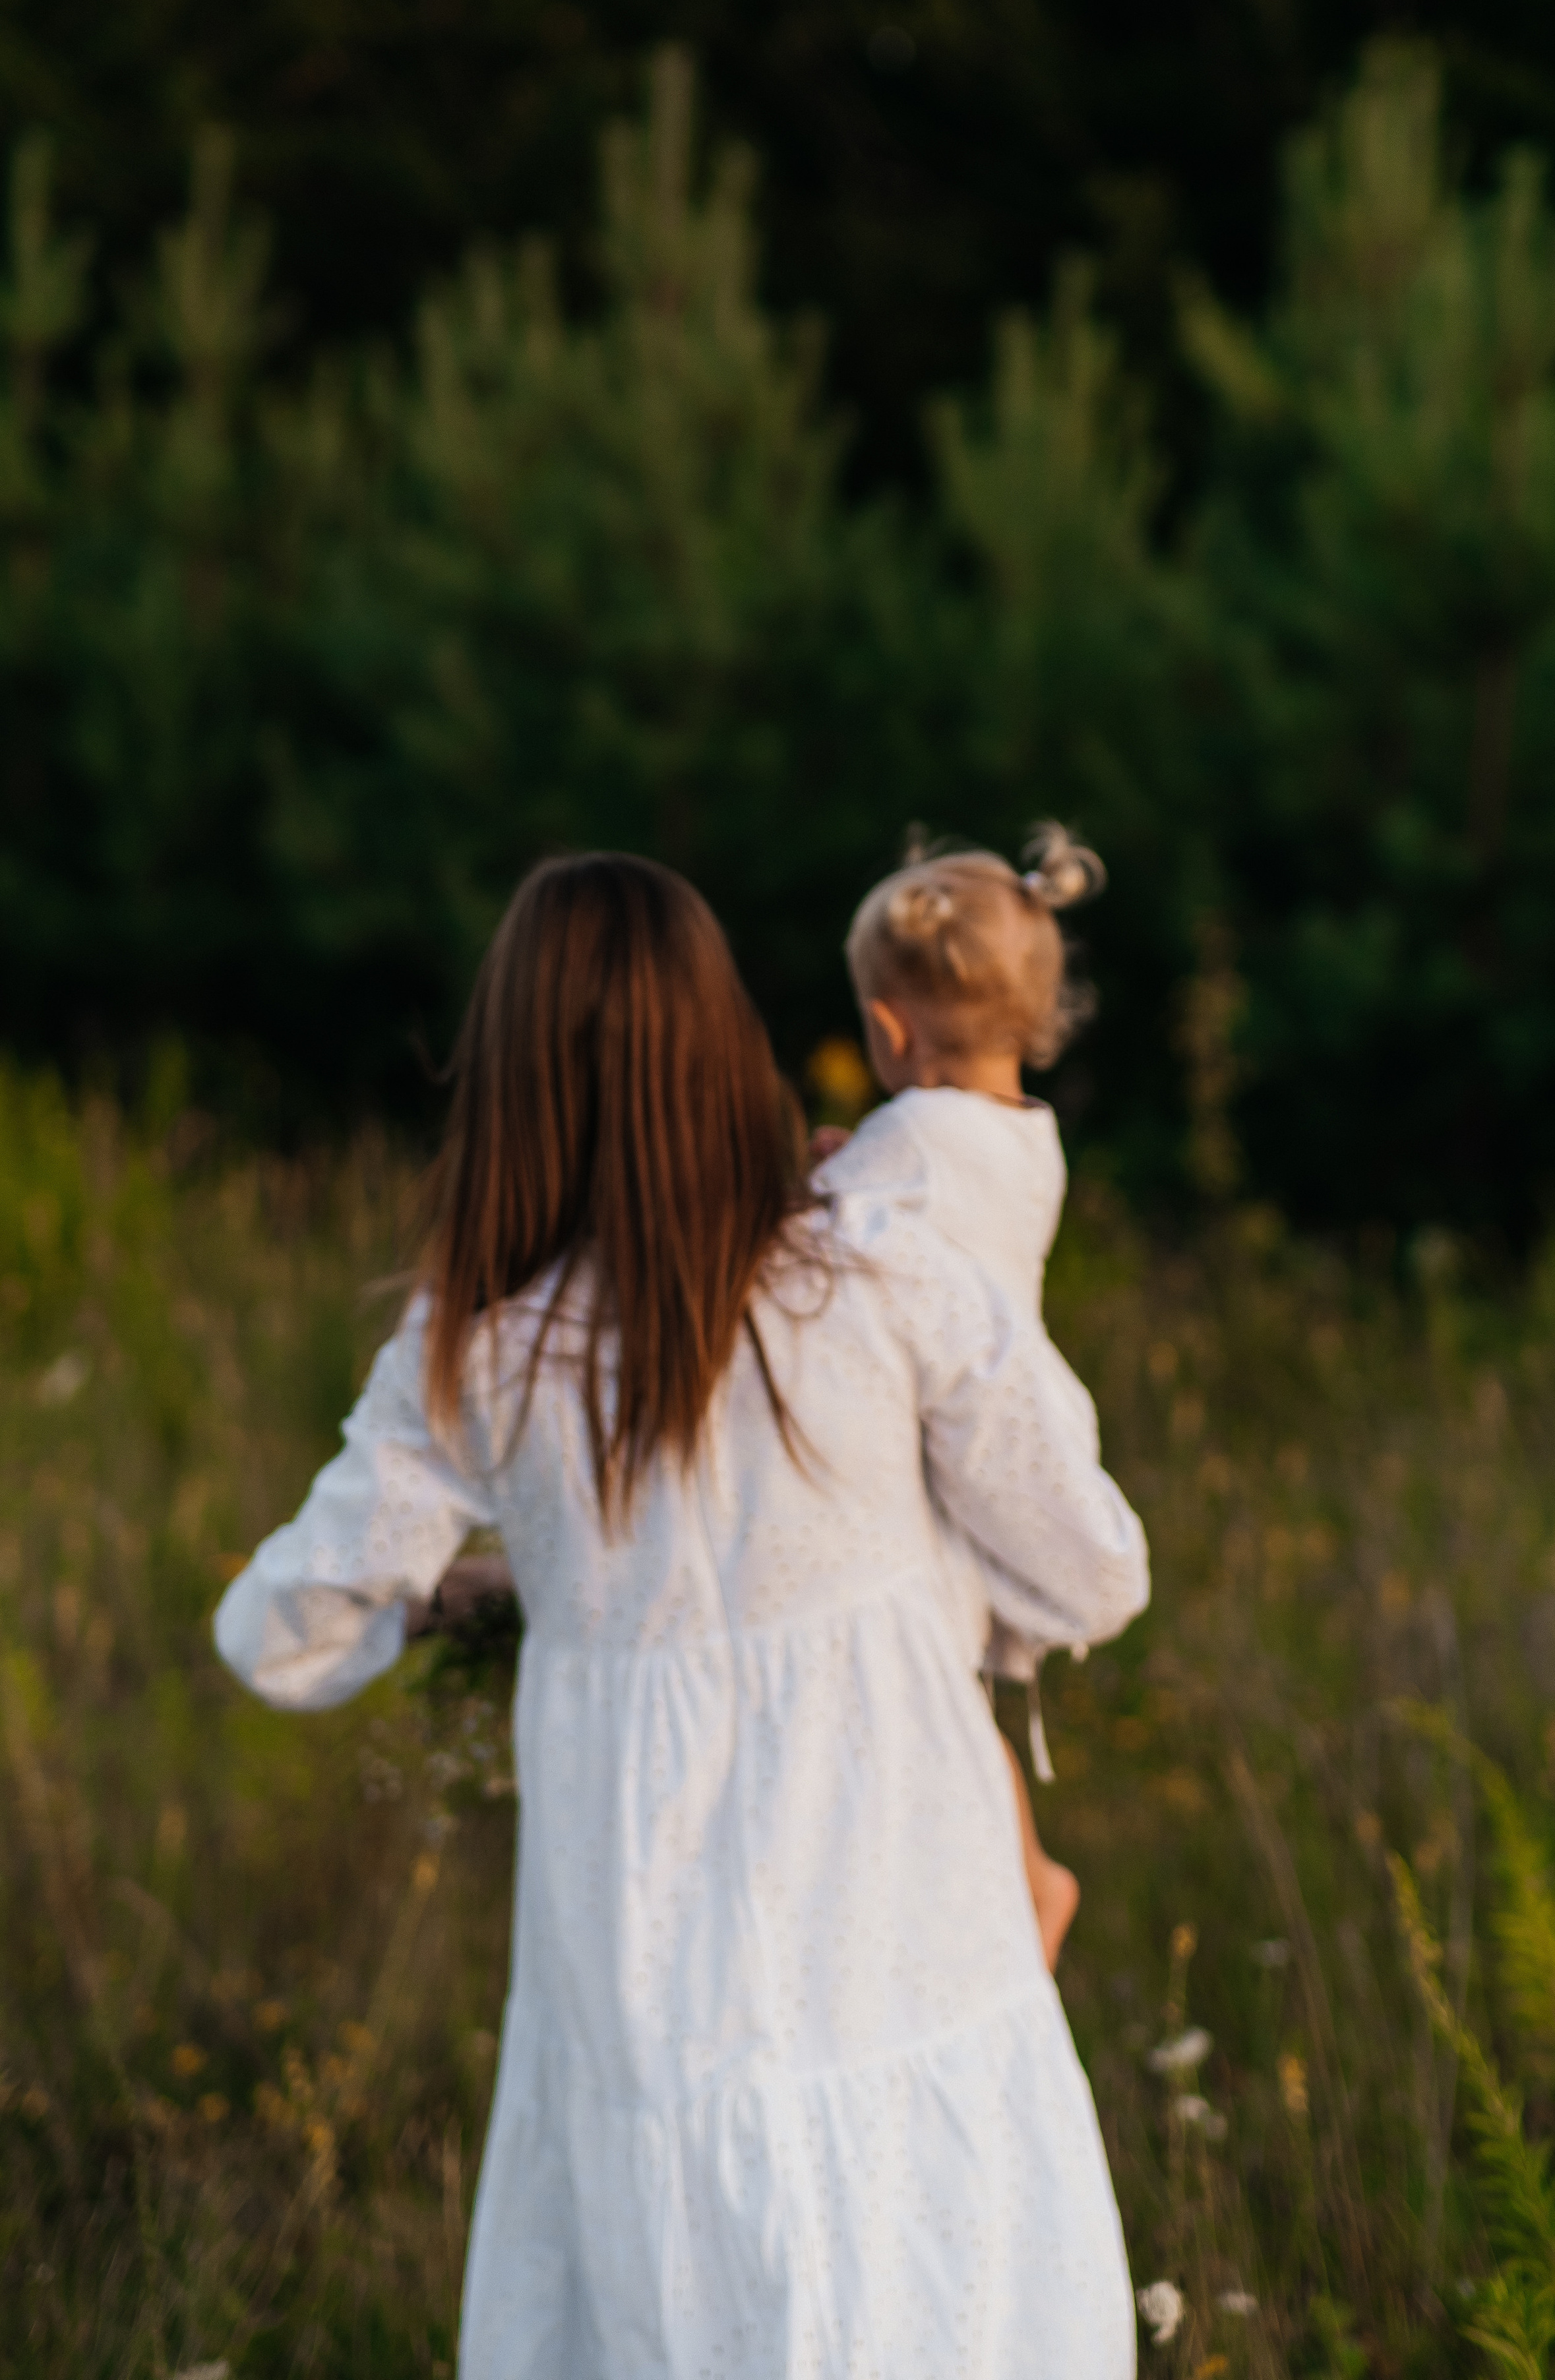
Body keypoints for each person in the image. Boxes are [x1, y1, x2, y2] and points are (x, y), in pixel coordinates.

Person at [214, 852, 1149, 2379]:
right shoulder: (884, 1271)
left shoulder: (475, 1356)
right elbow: (1091, 1572)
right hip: (906, 1950)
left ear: (512, 1077)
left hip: (652, 2011)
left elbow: (281, 1638)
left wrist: (454, 1604)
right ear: (729, 1045)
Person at [820, 821, 1109, 1972]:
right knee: (955, 1695)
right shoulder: (1021, 1135)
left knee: (939, 1693)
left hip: (944, 1440)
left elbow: (833, 1243)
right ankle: (1021, 1881)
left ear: (891, 1031)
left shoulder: (911, 1142)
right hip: (1017, 1408)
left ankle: (1029, 1882)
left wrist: (810, 1178)